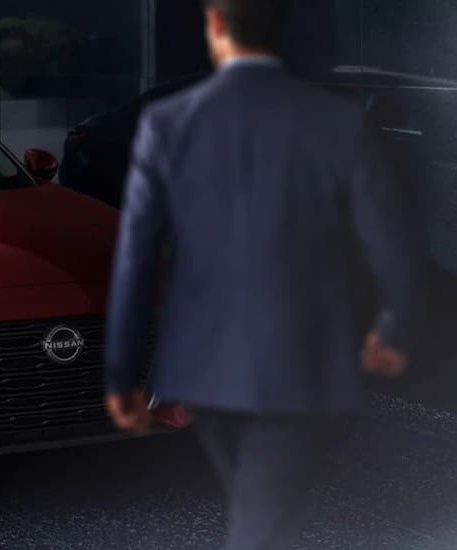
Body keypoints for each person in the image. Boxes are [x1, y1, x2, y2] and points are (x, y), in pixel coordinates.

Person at [103, 0, 426, 548]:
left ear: (217, 25)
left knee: (260, 509)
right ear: (281, 31)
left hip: (201, 365)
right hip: (303, 360)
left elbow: (135, 258)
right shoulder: (339, 121)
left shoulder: (168, 122)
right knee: (265, 514)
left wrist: (123, 376)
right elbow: (395, 247)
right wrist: (395, 330)